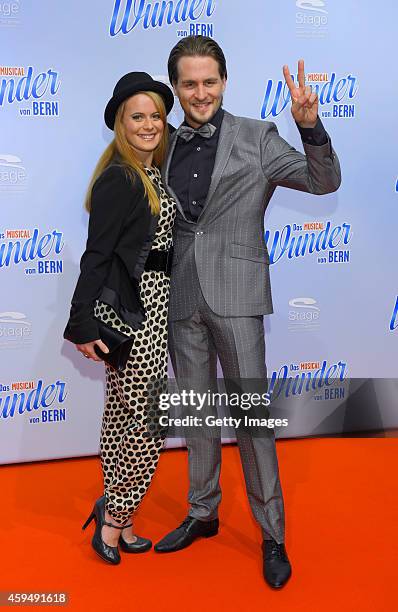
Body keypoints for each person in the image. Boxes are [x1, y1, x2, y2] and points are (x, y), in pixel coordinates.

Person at [154, 36, 341, 589]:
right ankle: (203, 511)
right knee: (196, 412)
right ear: (176, 88)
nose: (200, 92)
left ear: (224, 82)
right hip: (180, 294)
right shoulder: (160, 140)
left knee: (252, 421)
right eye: (189, 83)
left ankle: (273, 534)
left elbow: (322, 180)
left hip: (237, 294)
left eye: (209, 81)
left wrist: (310, 127)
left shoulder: (257, 137)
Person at [64, 72, 176, 565]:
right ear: (120, 124)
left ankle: (121, 518)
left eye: (155, 115)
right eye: (138, 116)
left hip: (154, 305)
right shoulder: (121, 177)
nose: (149, 124)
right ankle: (112, 521)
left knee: (122, 420)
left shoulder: (150, 173)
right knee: (145, 424)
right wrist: (82, 324)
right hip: (135, 315)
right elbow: (96, 256)